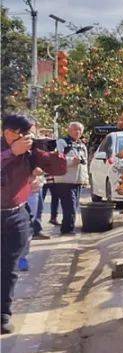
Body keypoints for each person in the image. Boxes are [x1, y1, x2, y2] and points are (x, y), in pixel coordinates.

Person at [1, 114, 67, 334]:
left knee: (9, 268)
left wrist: (52, 153)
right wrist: (12, 153)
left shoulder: (29, 152)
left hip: (16, 216)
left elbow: (58, 168)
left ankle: (4, 314)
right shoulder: (8, 150)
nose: (29, 138)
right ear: (9, 133)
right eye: (26, 134)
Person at [52, 121, 89, 235]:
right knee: (70, 207)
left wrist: (85, 179)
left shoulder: (82, 145)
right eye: (75, 129)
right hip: (65, 180)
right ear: (69, 130)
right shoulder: (62, 142)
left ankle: (67, 227)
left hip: (77, 181)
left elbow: (84, 163)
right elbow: (57, 160)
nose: (78, 132)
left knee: (74, 206)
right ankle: (67, 229)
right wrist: (72, 161)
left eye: (80, 130)